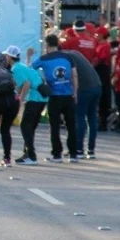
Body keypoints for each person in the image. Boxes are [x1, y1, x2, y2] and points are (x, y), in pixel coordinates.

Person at [29, 34, 79, 163]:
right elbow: (74, 75)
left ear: (47, 44)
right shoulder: (68, 57)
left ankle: (57, 154)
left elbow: (29, 70)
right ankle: (74, 154)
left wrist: (29, 57)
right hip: (68, 94)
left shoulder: (43, 59)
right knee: (71, 125)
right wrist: (75, 92)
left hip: (54, 96)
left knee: (55, 126)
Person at [4, 46, 48, 165]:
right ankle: (27, 153)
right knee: (30, 127)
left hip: (34, 98)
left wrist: (20, 100)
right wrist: (18, 93)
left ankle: (32, 156)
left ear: (9, 57)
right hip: (42, 98)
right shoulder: (21, 66)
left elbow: (27, 84)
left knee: (25, 126)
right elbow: (23, 84)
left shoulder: (15, 69)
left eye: (6, 56)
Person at [62, 44, 102, 159]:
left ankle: (78, 148)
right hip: (96, 85)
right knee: (92, 117)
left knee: (80, 117)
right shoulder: (75, 52)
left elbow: (69, 76)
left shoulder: (65, 58)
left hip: (84, 88)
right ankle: (91, 150)